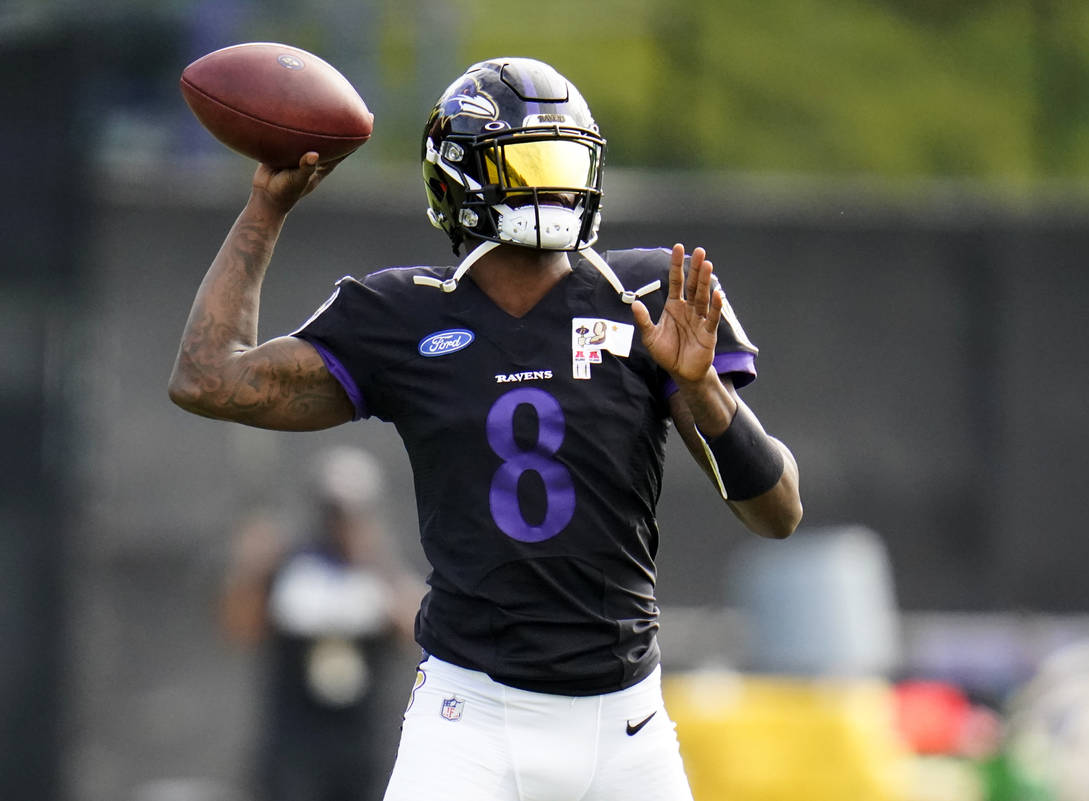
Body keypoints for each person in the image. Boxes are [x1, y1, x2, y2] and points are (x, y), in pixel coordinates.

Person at [169, 56, 803, 801]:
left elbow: (778, 511)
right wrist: (265, 209)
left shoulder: (646, 297)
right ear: (462, 178)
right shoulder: (405, 313)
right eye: (529, 162)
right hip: (471, 722)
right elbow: (208, 378)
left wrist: (700, 387)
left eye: (567, 161)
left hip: (626, 723)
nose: (554, 184)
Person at [220, 446, 423, 801]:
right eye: (335, 512)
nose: (342, 524)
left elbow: (418, 632)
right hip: (294, 746)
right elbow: (240, 630)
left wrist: (377, 562)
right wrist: (248, 569)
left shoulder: (380, 572)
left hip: (364, 743)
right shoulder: (288, 566)